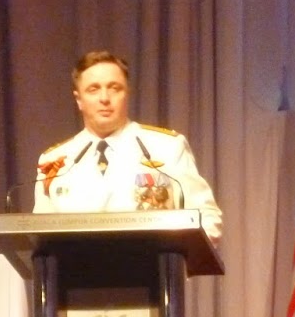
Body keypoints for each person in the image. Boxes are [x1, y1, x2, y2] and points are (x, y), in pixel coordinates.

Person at [33, 51, 223, 239]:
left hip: (152, 258)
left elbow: (206, 217)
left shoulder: (166, 147)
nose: (104, 98)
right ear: (78, 99)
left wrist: (179, 251)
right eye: (93, 89)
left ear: (127, 94)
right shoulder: (56, 161)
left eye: (114, 88)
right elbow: (40, 233)